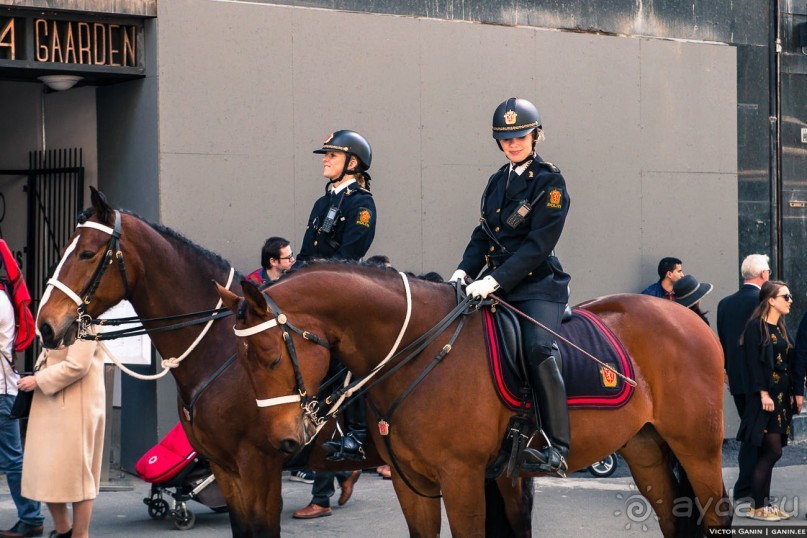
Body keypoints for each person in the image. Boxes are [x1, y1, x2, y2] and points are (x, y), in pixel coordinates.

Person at [451, 97, 571, 476]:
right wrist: (462, 272)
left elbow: (539, 245)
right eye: (506, 139)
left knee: (537, 348)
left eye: (520, 136)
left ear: (535, 136)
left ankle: (557, 445)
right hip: (494, 286)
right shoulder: (496, 181)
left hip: (538, 286)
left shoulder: (550, 181)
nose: (513, 144)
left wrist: (493, 279)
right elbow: (482, 235)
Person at [292, 129, 374, 519]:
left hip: (341, 306)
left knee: (330, 393)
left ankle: (336, 474)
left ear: (352, 163)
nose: (325, 159)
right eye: (325, 154)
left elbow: (347, 260)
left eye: (332, 155)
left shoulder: (361, 205)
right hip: (315, 302)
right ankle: (337, 472)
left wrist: (311, 284)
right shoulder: (322, 201)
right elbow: (307, 253)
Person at [18, 334, 106, 538]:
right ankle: (64, 529)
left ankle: (79, 534)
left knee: (79, 474)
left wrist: (39, 379)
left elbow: (79, 364)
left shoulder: (86, 314)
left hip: (77, 401)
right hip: (52, 398)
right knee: (45, 470)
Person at [736, 281, 805, 521]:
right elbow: (754, 364)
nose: (790, 300)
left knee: (771, 450)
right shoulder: (757, 327)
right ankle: (757, 506)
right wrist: (763, 393)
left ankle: (763, 504)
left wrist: (797, 391)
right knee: (772, 450)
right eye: (785, 296)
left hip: (781, 398)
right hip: (765, 399)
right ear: (771, 300)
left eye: (790, 295)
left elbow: (791, 362)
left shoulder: (781, 328)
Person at [716, 253, 770, 503]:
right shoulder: (763, 301)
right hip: (760, 382)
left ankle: (748, 488)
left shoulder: (724, 304)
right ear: (764, 275)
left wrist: (727, 372)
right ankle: (746, 488)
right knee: (755, 437)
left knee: (752, 433)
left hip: (737, 380)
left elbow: (724, 342)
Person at [0, 292, 44, 538]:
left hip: (2, 394)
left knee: (13, 461)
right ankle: (31, 517)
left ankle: (31, 518)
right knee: (12, 460)